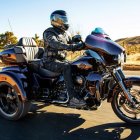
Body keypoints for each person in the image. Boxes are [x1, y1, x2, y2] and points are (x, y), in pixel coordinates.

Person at [42, 10, 86, 107]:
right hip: (49, 61)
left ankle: (81, 91)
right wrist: (72, 47)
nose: (65, 22)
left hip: (60, 60)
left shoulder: (65, 33)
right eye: (63, 20)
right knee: (66, 67)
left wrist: (80, 41)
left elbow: (70, 41)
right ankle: (72, 98)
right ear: (55, 20)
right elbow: (55, 44)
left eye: (66, 19)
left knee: (78, 65)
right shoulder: (49, 32)